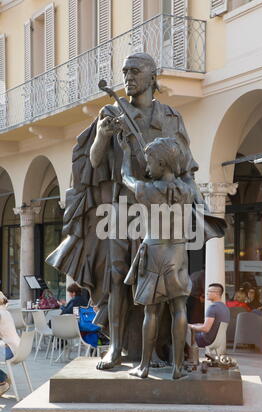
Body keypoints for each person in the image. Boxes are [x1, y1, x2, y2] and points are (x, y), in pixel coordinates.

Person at [46, 52, 226, 370]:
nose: (128, 76)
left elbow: (186, 168)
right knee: (117, 278)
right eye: (125, 71)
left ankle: (154, 349)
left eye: (135, 71)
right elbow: (92, 162)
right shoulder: (111, 111)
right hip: (120, 207)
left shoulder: (170, 117)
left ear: (152, 77)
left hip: (160, 213)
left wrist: (196, 204)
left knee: (157, 283)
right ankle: (116, 346)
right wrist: (102, 135)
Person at [119, 134, 193, 379]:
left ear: (162, 164)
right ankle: (179, 367)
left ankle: (144, 366)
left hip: (155, 252)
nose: (147, 167)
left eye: (150, 162)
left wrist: (127, 152)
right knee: (179, 307)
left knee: (151, 312)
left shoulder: (149, 190)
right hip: (180, 253)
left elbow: (126, 178)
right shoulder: (188, 190)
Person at [188, 283, 230, 348]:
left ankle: (183, 357)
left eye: (209, 291)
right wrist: (195, 325)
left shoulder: (213, 307)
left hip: (205, 340)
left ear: (217, 294)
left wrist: (191, 326)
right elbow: (209, 325)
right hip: (216, 340)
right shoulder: (225, 308)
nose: (206, 293)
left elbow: (206, 329)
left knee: (181, 336)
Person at [0, 292, 20, 396]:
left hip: (10, 350)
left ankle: (2, 381)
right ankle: (3, 378)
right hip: (18, 349)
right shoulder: (6, 312)